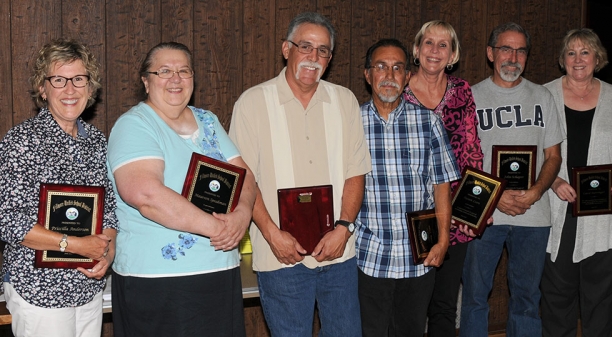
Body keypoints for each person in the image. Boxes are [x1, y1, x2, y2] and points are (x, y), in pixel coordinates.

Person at [228, 12, 371, 337]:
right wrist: (273, 235)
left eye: (323, 50)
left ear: (330, 58)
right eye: (305, 46)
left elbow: (355, 171)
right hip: (281, 258)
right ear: (286, 49)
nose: (313, 56)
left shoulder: (344, 100)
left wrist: (344, 229)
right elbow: (243, 179)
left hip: (338, 255)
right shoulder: (252, 103)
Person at [107, 42, 256, 336]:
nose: (175, 79)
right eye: (164, 71)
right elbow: (146, 195)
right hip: (159, 281)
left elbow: (246, 177)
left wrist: (242, 214)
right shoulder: (134, 125)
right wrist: (218, 228)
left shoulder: (208, 121)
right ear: (145, 81)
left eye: (183, 71)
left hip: (218, 271)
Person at [0, 39, 117, 337]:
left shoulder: (97, 142)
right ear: (43, 88)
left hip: (88, 288)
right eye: (59, 80)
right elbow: (9, 221)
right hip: (40, 291)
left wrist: (108, 250)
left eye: (79, 79)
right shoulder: (21, 142)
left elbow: (110, 209)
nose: (70, 89)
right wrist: (76, 245)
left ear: (90, 88)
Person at [459, 22, 564, 337]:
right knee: (475, 297)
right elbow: (460, 159)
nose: (513, 57)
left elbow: (554, 156)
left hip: (534, 215)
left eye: (520, 50)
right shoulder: (470, 97)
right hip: (484, 213)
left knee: (528, 298)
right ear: (491, 53)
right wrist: (494, 197)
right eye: (506, 48)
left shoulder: (542, 96)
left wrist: (535, 191)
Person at [356, 38, 460, 337]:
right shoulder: (351, 122)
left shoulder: (429, 123)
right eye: (381, 67)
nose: (389, 75)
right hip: (368, 257)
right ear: (368, 75)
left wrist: (442, 242)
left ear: (407, 76)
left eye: (398, 68)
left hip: (419, 258)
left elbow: (441, 188)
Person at [540, 28, 612, 337]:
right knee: (557, 295)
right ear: (563, 60)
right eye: (571, 53)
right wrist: (553, 181)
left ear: (597, 58)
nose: (578, 59)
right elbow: (529, 150)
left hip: (604, 211)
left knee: (600, 294)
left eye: (585, 52)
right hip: (558, 209)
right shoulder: (544, 95)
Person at [403, 20, 483, 337]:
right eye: (428, 43)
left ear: (452, 55)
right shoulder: (399, 89)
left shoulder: (462, 91)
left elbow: (472, 153)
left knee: (445, 304)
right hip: (410, 216)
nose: (434, 51)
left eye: (443, 45)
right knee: (410, 304)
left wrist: (467, 213)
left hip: (455, 215)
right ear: (417, 49)